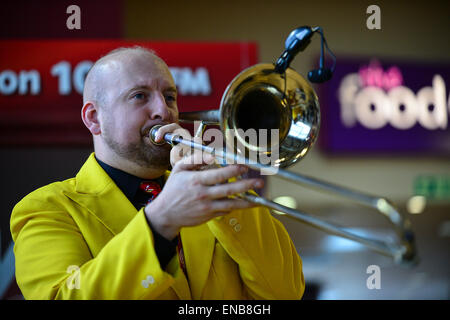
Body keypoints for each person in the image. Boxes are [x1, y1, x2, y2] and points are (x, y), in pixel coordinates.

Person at [10, 47, 305, 300]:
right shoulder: (47, 209)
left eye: (169, 96)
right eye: (139, 96)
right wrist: (161, 220)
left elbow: (286, 292)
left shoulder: (217, 189)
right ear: (94, 118)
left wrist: (220, 188)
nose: (163, 111)